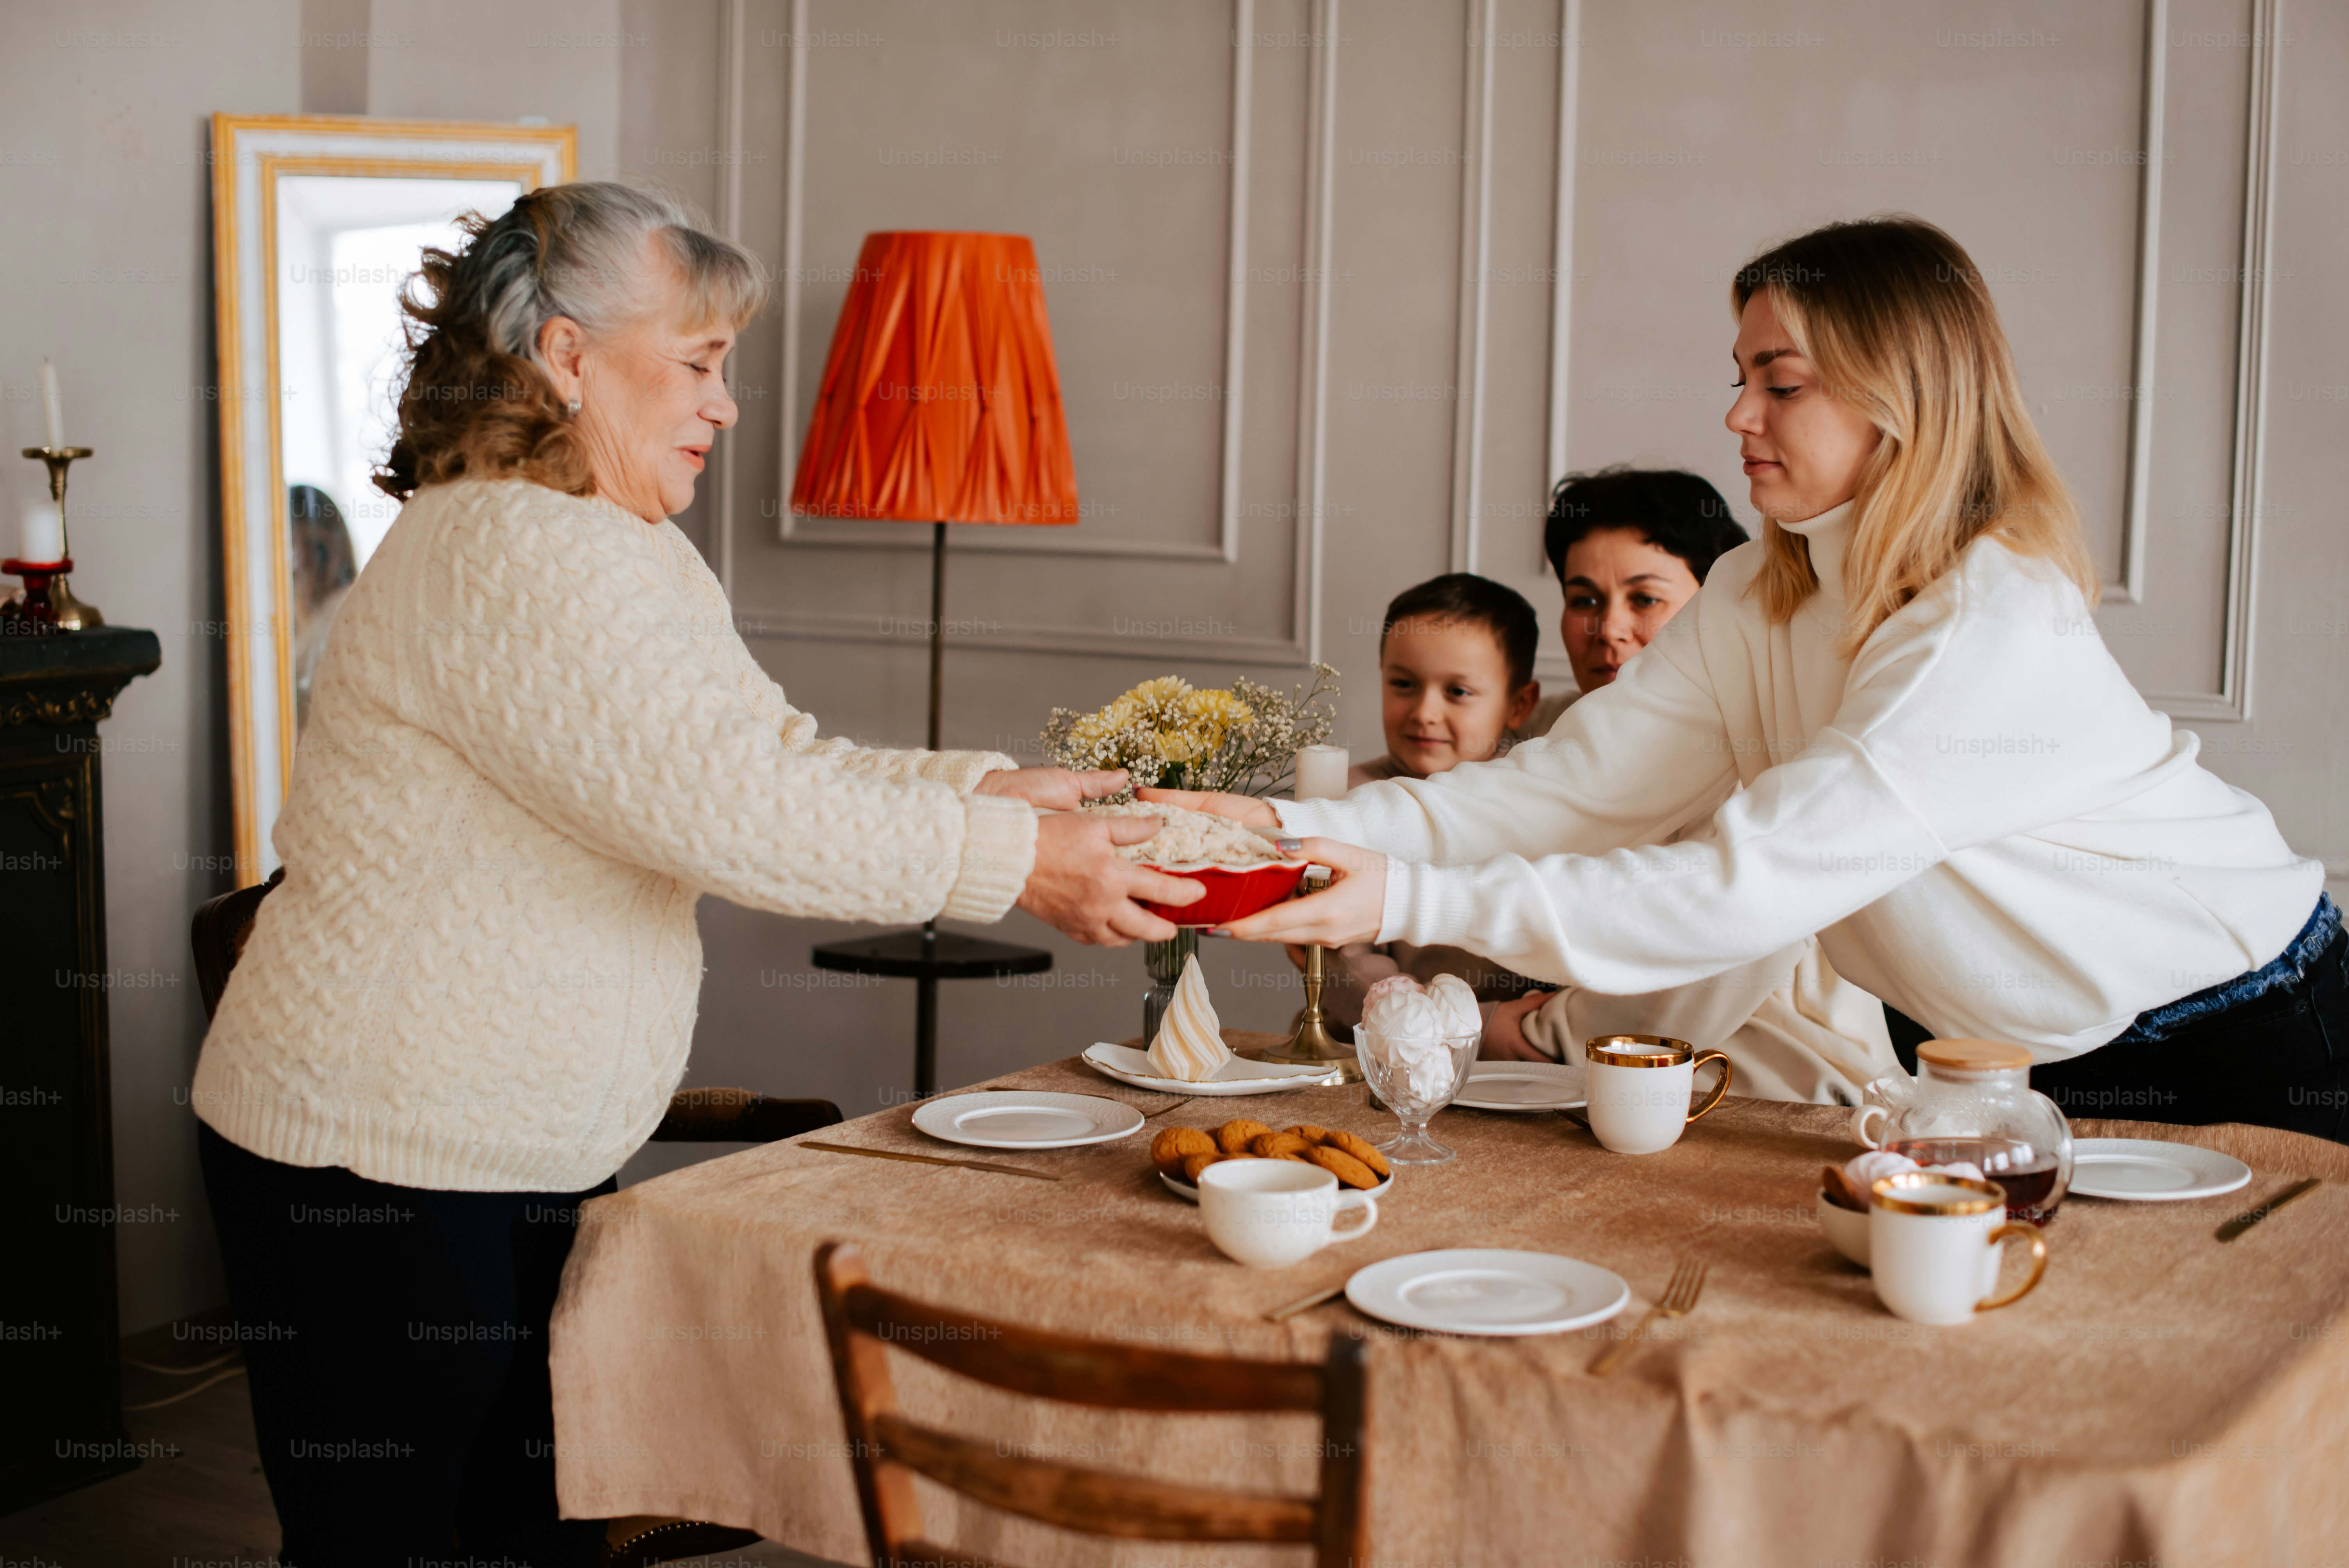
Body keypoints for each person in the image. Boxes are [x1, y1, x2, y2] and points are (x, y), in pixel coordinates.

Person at [190, 184, 1197, 1568]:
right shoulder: (507, 551)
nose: (727, 407)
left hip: (509, 1152)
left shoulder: (620, 545)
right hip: (373, 1154)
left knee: (522, 1536)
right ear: (566, 357)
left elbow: (761, 752)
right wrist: (1014, 860)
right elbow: (731, 809)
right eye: (701, 363)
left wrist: (983, 790)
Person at [1155, 214, 2341, 1139]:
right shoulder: (1757, 590)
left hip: (2247, 1035)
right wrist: (1277, 824)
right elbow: (1561, 793)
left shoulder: (1989, 621)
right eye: (1742, 375)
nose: (1737, 413)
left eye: (1782, 383)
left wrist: (1404, 899)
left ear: (1901, 398)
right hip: (2022, 1062)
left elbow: (1740, 885)